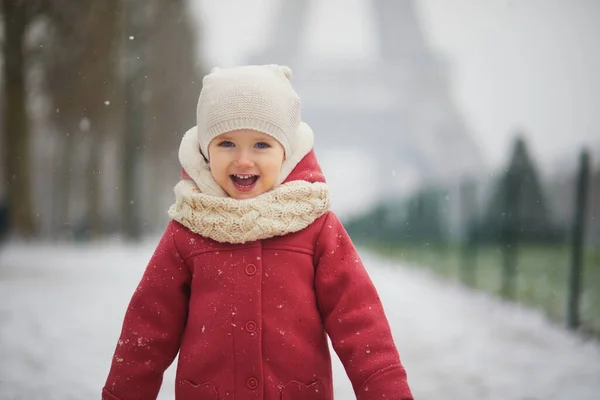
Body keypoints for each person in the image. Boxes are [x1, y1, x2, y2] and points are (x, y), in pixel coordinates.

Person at [102, 64, 413, 400]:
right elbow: (148, 329)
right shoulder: (189, 228)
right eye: (227, 144)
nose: (243, 160)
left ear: (287, 151)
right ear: (206, 151)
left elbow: (362, 326)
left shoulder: (316, 226)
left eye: (261, 145)